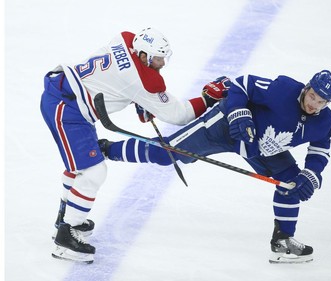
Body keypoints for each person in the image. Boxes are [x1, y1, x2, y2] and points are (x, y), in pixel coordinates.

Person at [99, 70, 331, 264]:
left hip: (259, 148)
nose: (314, 105)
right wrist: (239, 114)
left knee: (291, 182)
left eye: (322, 102)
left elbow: (320, 149)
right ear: (307, 89)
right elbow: (243, 85)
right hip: (225, 127)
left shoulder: (324, 121)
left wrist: (311, 174)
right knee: (166, 154)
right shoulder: (284, 89)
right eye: (313, 97)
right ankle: (106, 149)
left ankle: (283, 240)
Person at [40, 27, 227, 263]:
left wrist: (135, 99)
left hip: (65, 95)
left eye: (163, 58)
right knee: (93, 171)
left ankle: (65, 219)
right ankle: (67, 235)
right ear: (143, 55)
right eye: (157, 59)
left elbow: (117, 80)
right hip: (67, 108)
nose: (161, 64)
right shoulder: (144, 82)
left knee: (80, 167)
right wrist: (208, 98)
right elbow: (179, 114)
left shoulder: (124, 39)